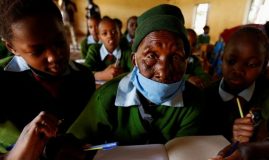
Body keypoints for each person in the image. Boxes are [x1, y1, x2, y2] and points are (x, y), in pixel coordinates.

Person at [66, 4, 202, 147]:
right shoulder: (107, 97)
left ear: (186, 61)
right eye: (151, 56)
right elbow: (71, 146)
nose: (163, 72)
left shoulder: (194, 101)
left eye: (175, 57)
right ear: (134, 60)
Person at [0, 0, 95, 158]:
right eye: (37, 50)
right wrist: (15, 155)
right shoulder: (3, 81)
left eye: (59, 41)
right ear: (12, 48)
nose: (54, 56)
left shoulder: (83, 77)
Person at [202, 27, 269, 159]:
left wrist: (252, 148)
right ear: (222, 58)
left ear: (263, 66)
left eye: (251, 64)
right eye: (231, 61)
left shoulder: (268, 90)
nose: (238, 70)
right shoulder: (207, 93)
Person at [84, 16, 133, 81]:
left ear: (120, 34)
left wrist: (122, 74)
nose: (110, 36)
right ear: (99, 37)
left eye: (114, 32)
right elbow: (84, 73)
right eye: (104, 33)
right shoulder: (94, 50)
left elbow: (135, 72)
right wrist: (101, 75)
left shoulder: (127, 51)